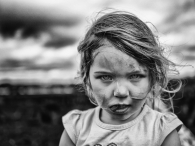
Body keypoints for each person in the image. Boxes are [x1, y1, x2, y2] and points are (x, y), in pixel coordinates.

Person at [59, 11, 183, 146]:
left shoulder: (162, 131)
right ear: (87, 78)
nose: (121, 92)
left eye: (135, 76)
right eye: (106, 77)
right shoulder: (76, 129)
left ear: (152, 78)